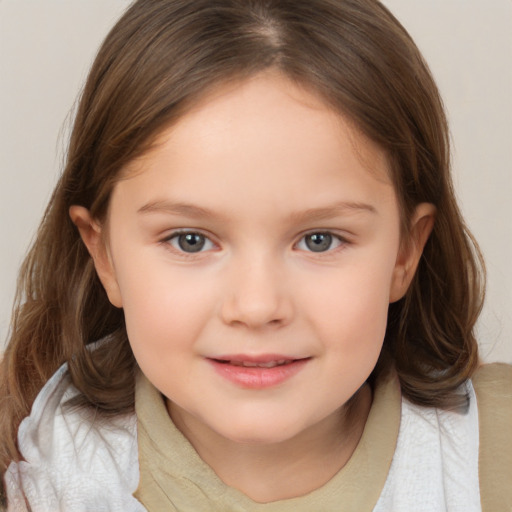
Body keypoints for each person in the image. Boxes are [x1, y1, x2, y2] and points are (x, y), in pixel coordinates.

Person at [1, 0, 511, 510]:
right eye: (190, 240)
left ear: (405, 252)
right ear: (104, 254)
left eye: (319, 239)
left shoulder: (493, 455)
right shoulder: (37, 479)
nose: (257, 306)